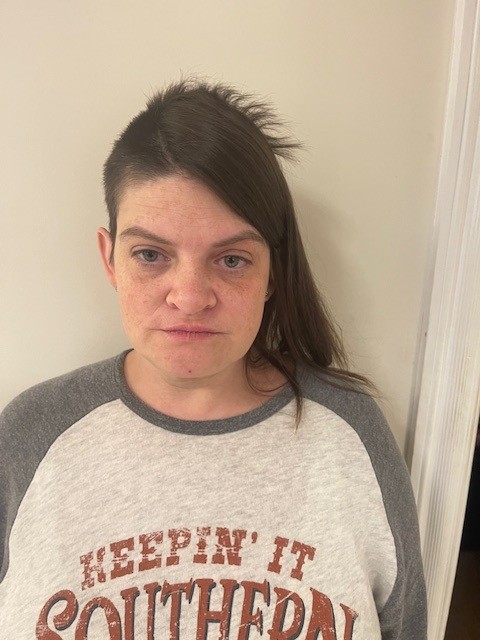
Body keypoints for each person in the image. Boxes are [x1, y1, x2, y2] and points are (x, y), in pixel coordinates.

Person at [0, 79, 427, 639]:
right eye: (150, 254)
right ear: (109, 259)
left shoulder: (351, 433)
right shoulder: (31, 434)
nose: (190, 296)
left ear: (272, 271)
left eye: (231, 260)